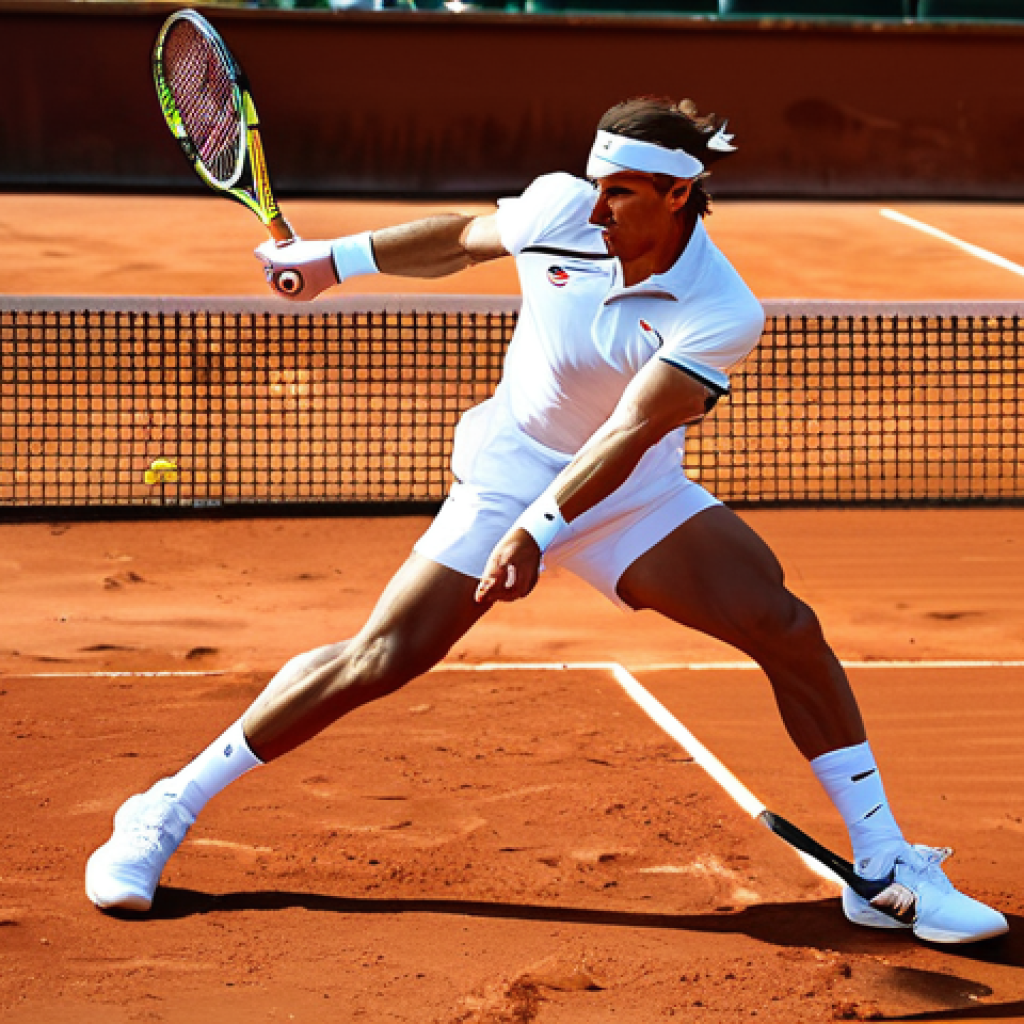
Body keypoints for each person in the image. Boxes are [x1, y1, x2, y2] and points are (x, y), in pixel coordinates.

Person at [86, 96, 1007, 944]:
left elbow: (630, 430)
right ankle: (163, 806)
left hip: (629, 488)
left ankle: (882, 865)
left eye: (621, 193)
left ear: (680, 195)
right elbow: (463, 237)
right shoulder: (563, 209)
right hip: (509, 468)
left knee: (784, 625)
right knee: (383, 657)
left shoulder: (721, 308)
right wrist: (332, 261)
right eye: (596, 188)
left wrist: (542, 529)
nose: (597, 212)